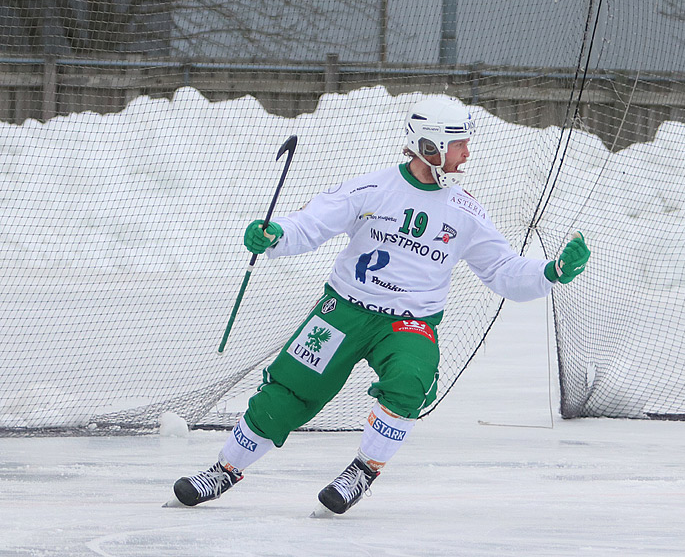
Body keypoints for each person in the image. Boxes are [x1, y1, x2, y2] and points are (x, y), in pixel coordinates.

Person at [169, 96, 590, 516]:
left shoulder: (466, 211)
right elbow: (312, 222)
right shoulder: (371, 188)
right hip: (343, 312)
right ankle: (223, 470)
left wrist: (552, 271)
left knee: (411, 380)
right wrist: (276, 234)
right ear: (431, 147)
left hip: (409, 325)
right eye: (459, 143)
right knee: (286, 393)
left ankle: (362, 470)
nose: (467, 153)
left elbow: (504, 272)